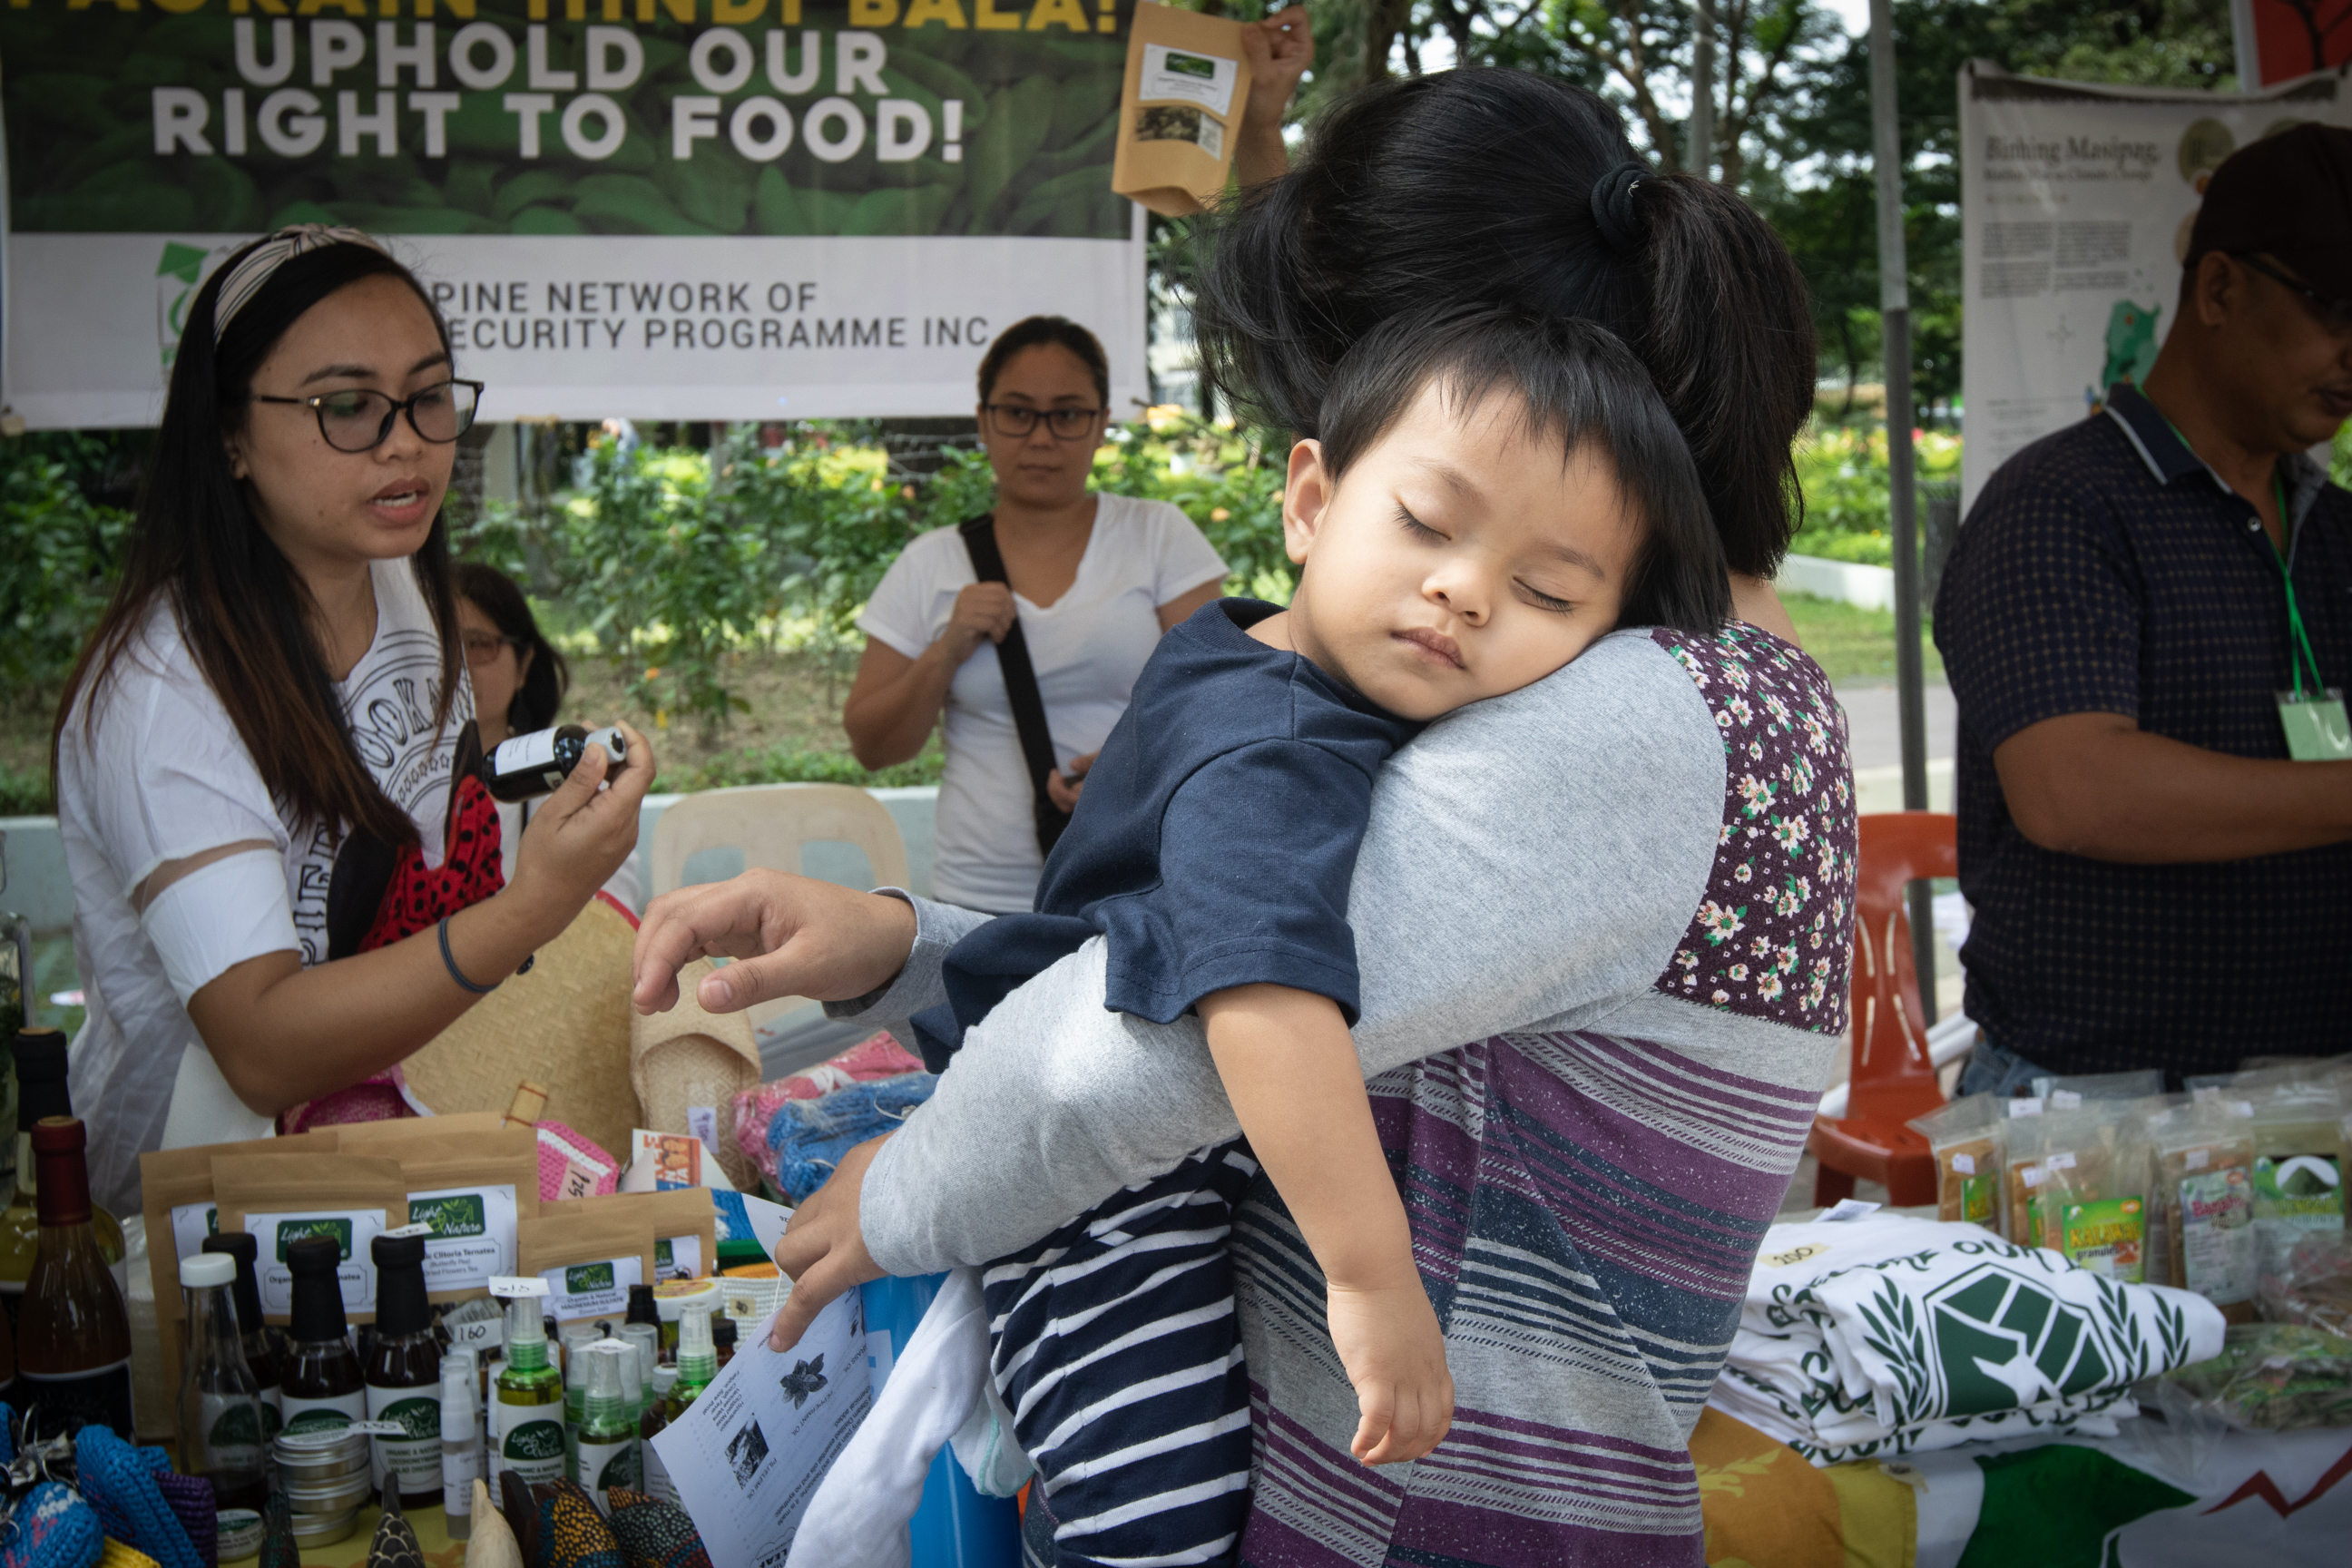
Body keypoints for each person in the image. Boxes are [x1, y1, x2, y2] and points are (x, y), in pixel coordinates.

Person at [635, 70, 1849, 1565]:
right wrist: (907, 947)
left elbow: (1157, 1034)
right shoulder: (1622, 677)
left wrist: (907, 1181)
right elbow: (1228, 939)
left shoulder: (1639, 722)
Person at [912, 307, 1728, 1565]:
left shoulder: (1269, 657)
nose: (1463, 589)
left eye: (1545, 591)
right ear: (1309, 500)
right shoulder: (1271, 753)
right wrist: (1369, 1275)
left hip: (1146, 1146)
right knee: (1152, 1520)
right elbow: (1262, 997)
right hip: (1095, 1185)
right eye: (1425, 525)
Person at [52, 227, 651, 1214]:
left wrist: (559, 782)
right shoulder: (164, 694)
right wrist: (533, 911)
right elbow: (259, 1048)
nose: (405, 440)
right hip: (196, 1230)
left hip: (371, 1152)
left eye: (426, 397)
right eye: (347, 407)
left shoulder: (405, 585)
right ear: (230, 434)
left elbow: (430, 836)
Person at [1936, 123, 2352, 1093]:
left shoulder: (2334, 528)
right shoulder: (2060, 504)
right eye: (2336, 307)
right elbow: (2074, 790)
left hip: (2317, 1092)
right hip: (2098, 1109)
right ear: (2218, 290)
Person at [843, 317, 1228, 913]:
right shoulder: (931, 564)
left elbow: (1221, 698)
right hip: (977, 900)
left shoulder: (1157, 536)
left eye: (1068, 414)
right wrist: (946, 650)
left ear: (1102, 425)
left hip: (1132, 882)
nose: (1041, 438)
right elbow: (872, 745)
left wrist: (1134, 760)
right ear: (983, 422)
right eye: (1018, 413)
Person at [456, 561, 645, 913]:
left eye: (477, 645)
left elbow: (607, 931)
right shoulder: (377, 794)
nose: (455, 666)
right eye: (435, 644)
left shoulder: (570, 788)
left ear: (524, 665)